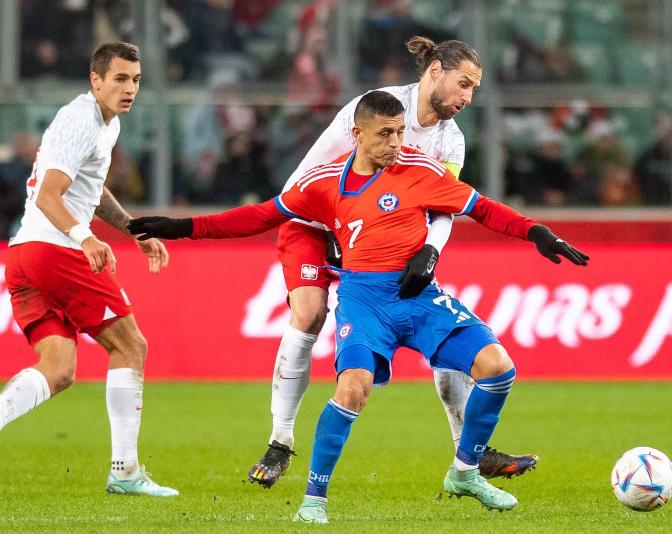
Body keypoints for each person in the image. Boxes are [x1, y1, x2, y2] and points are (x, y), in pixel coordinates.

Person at [128, 90, 589, 523]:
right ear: (358, 134)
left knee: (498, 368)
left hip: (418, 296)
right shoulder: (323, 182)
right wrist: (183, 227)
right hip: (364, 300)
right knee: (353, 388)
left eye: (400, 132)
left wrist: (536, 232)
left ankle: (465, 472)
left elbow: (483, 208)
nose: (396, 143)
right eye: (385, 134)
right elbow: (261, 216)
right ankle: (313, 499)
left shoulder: (421, 170)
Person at [249, 35, 537, 489]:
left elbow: (444, 207)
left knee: (441, 329)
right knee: (309, 313)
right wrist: (342, 230)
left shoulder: (451, 142)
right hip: (314, 222)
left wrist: (430, 250)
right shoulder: (374, 109)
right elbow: (308, 175)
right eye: (464, 84)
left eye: (474, 89)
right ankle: (280, 441)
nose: (468, 97)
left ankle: (471, 452)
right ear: (436, 71)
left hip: (380, 238)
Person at [1, 42, 177, 497]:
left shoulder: (106, 124)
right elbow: (49, 195)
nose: (129, 88)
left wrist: (133, 230)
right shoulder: (81, 120)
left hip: (24, 255)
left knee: (58, 369)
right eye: (119, 79)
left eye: (135, 80)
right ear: (95, 80)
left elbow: (91, 192)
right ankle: (125, 471)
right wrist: (85, 238)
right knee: (131, 345)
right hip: (56, 249)